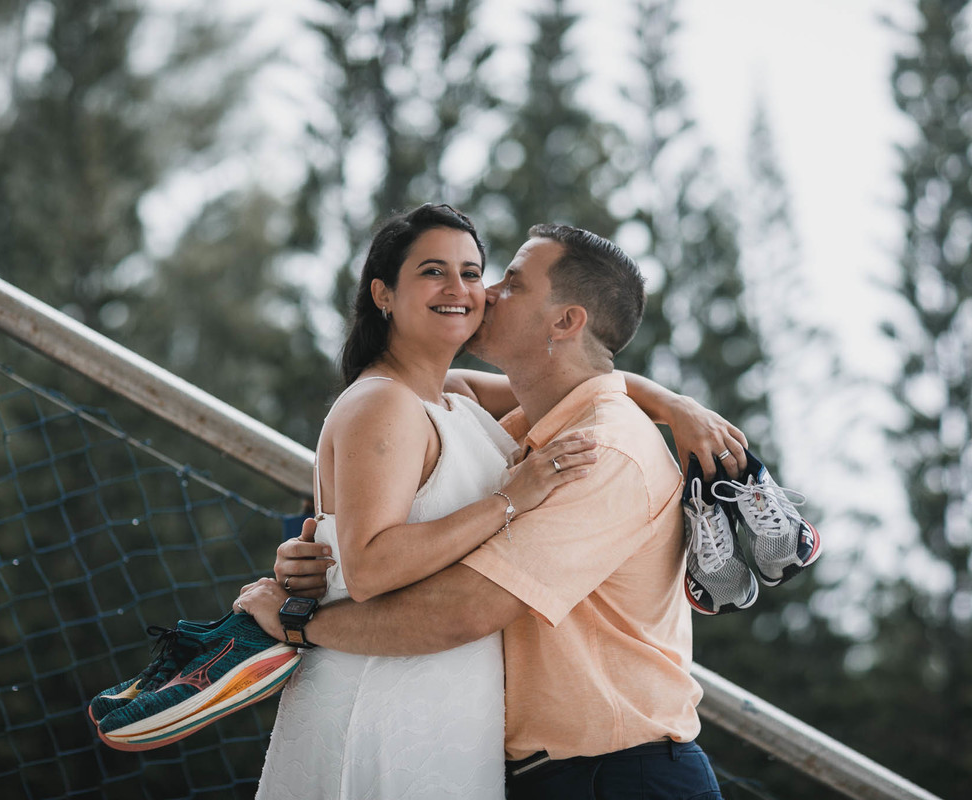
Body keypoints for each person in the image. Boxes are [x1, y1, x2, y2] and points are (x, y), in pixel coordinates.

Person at [237, 223, 748, 799]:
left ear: (564, 322)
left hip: (617, 775)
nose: (486, 292)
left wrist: (302, 622)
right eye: (437, 270)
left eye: (506, 280)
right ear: (383, 293)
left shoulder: (600, 452)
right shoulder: (525, 422)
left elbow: (463, 611)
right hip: (511, 759)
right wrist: (327, 568)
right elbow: (387, 531)